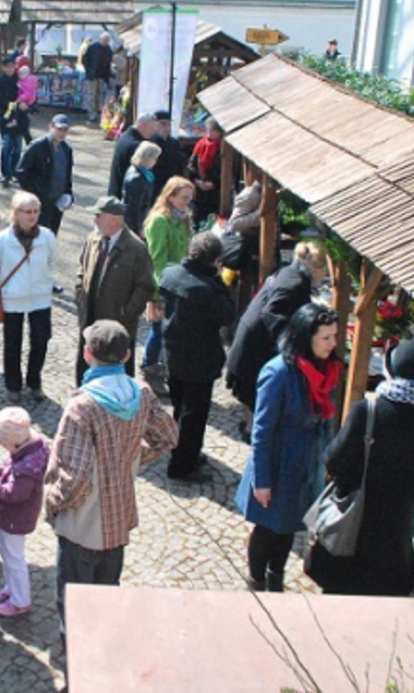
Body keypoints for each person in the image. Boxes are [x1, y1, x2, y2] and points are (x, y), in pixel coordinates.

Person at [45, 320, 178, 640]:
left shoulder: (82, 407)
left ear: (87, 354)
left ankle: (77, 667)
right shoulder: (141, 393)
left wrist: (51, 502)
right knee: (107, 604)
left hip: (82, 528)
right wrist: (132, 459)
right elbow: (168, 436)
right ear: (127, 355)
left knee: (74, 612)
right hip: (118, 522)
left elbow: (75, 480)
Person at [306, 341, 414, 596]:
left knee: (343, 590)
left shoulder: (367, 411)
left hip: (356, 515)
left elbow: (334, 460)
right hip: (398, 522)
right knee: (388, 588)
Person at [235, 303, 343, 592]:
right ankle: (257, 582)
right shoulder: (278, 373)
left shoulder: (325, 369)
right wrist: (262, 481)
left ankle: (276, 578)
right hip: (279, 463)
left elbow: (325, 419)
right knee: (268, 528)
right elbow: (262, 431)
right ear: (306, 338)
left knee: (289, 526)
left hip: (306, 463)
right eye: (325, 337)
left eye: (334, 336)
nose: (332, 344)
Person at [225, 240, 330, 440]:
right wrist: (290, 344)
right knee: (256, 393)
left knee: (253, 392)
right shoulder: (295, 284)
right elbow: (271, 313)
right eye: (325, 270)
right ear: (315, 269)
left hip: (250, 337)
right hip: (254, 345)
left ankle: (250, 428)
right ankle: (253, 433)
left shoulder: (290, 272)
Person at [158, 232, 236, 479]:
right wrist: (220, 280)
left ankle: (181, 450)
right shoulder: (208, 290)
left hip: (174, 354)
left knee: (180, 408)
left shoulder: (170, 274)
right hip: (199, 363)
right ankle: (182, 465)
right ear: (215, 261)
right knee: (193, 417)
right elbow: (228, 315)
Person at [73, 197, 154, 384]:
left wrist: (126, 314)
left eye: (98, 216)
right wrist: (80, 296)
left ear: (114, 220)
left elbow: (145, 287)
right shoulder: (93, 239)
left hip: (118, 327)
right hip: (90, 319)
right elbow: (81, 269)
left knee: (118, 375)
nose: (94, 220)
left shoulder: (136, 249)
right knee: (85, 368)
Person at [0, 407, 49, 618]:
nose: (4, 449)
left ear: (16, 444)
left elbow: (12, 494)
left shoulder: (26, 469)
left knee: (14, 558)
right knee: (8, 554)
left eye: (4, 445)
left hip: (16, 517)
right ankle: (11, 588)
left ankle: (20, 600)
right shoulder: (32, 450)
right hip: (14, 516)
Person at [0, 191, 58, 401]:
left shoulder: (47, 237)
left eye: (36, 211)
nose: (33, 216)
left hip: (40, 298)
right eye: (28, 211)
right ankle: (13, 386)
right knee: (12, 344)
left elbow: (52, 262)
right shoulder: (2, 240)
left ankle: (34, 382)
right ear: (16, 213)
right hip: (13, 299)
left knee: (41, 341)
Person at [141, 177, 195, 382]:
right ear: (170, 196)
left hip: (181, 283)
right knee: (158, 329)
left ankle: (165, 366)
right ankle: (150, 367)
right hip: (165, 285)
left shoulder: (183, 218)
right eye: (184, 197)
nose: (187, 202)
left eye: (189, 198)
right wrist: (159, 293)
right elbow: (157, 259)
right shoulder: (159, 221)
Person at [15, 115, 74, 234]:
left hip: (57, 204)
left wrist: (68, 194)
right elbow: (21, 172)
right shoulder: (37, 147)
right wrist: (34, 195)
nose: (62, 133)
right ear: (50, 127)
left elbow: (67, 175)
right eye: (59, 129)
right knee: (35, 236)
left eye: (65, 130)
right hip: (38, 205)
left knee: (51, 235)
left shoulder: (67, 150)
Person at [108, 111, 160, 198]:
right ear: (140, 125)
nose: (153, 132)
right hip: (126, 195)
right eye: (151, 128)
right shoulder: (136, 146)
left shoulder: (125, 136)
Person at [187, 118, 224, 225]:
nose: (210, 132)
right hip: (199, 194)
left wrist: (214, 184)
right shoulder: (201, 145)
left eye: (213, 130)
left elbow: (230, 171)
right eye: (208, 129)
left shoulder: (224, 148)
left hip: (216, 196)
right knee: (197, 220)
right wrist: (196, 181)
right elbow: (191, 166)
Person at [121, 141, 162, 235]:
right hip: (135, 223)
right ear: (147, 157)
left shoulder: (137, 170)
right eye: (155, 158)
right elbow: (135, 209)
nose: (156, 161)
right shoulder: (138, 179)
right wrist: (138, 231)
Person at [0, 57, 22, 186]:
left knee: (17, 147)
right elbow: (0, 101)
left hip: (20, 117)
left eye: (13, 66)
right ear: (3, 68)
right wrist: (14, 105)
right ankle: (5, 174)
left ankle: (13, 171)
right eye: (8, 67)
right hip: (6, 116)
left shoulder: (19, 80)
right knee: (6, 146)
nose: (11, 69)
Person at [80, 32, 114, 123]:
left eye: (107, 40)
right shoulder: (93, 47)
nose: (105, 42)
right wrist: (89, 71)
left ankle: (98, 112)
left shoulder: (109, 50)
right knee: (91, 95)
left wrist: (107, 79)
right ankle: (92, 114)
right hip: (92, 76)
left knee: (99, 95)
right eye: (104, 40)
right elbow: (84, 59)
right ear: (100, 39)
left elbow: (108, 65)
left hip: (101, 76)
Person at [149, 111, 185, 195]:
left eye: (169, 124)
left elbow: (178, 164)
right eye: (163, 124)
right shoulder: (150, 142)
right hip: (156, 184)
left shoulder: (174, 142)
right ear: (154, 125)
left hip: (171, 183)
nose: (167, 127)